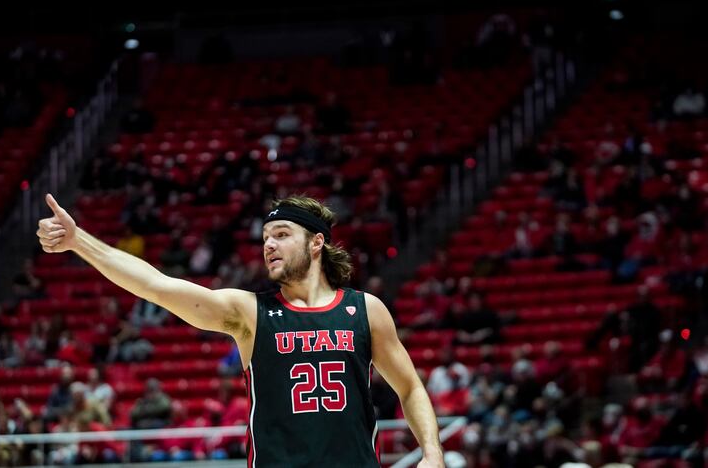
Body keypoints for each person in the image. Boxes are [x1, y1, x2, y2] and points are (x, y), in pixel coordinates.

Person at [37, 193, 443, 467]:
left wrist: (433, 453)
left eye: (282, 235)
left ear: (317, 243)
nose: (269, 245)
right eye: (266, 237)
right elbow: (154, 285)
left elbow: (410, 388)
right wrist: (79, 242)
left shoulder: (365, 310)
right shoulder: (249, 313)